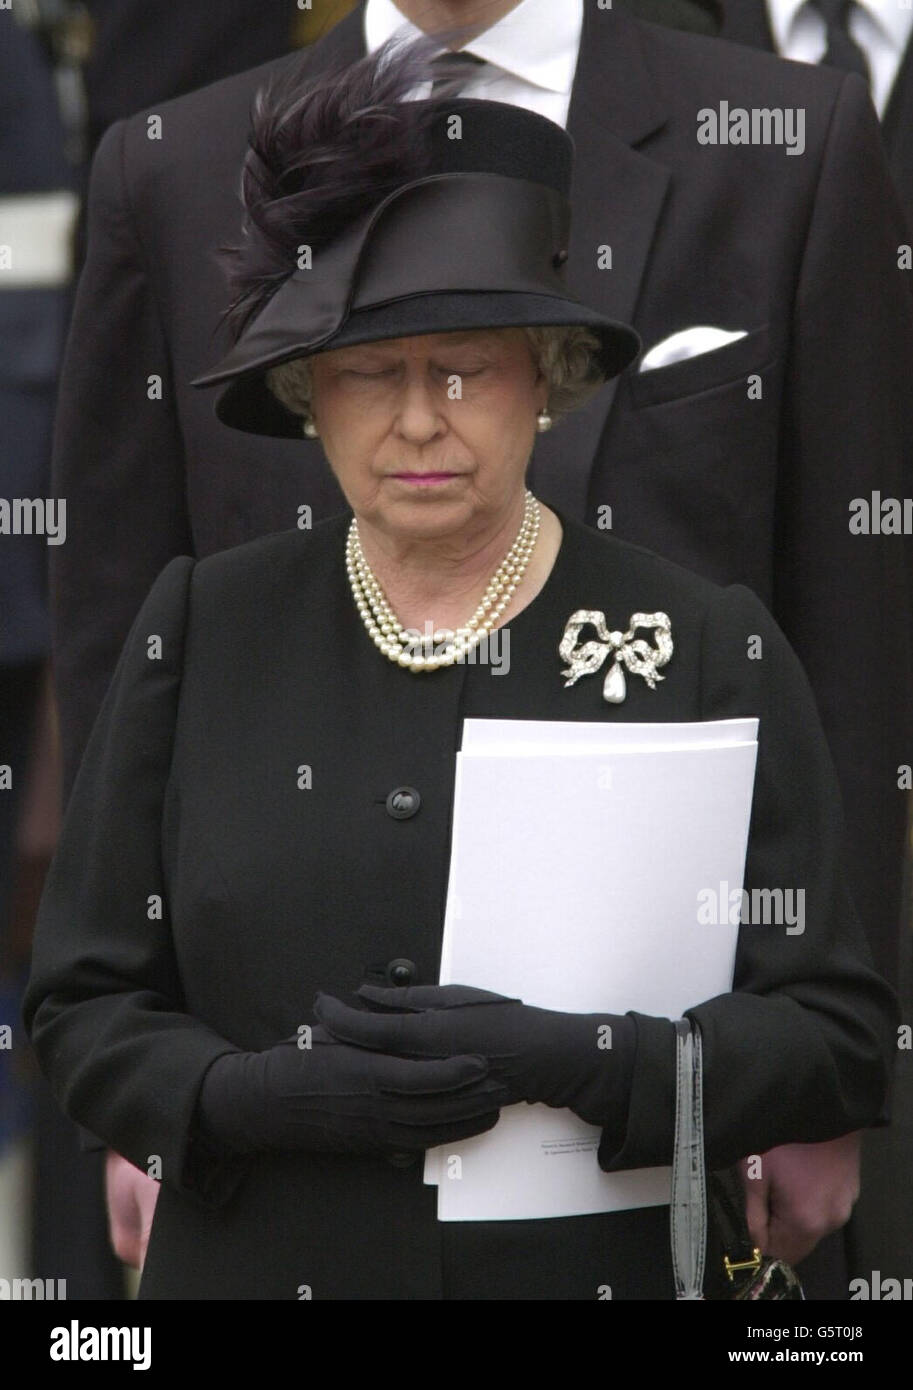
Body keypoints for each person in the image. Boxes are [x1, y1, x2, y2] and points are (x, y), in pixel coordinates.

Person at [51, 0, 911, 1294]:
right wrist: (209, 1102)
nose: (417, 420)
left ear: (548, 377)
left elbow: (850, 650)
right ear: (301, 392)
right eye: (366, 371)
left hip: (607, 1242)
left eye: (465, 367)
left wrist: (622, 1068)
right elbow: (94, 979)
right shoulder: (201, 620)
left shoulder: (706, 636)